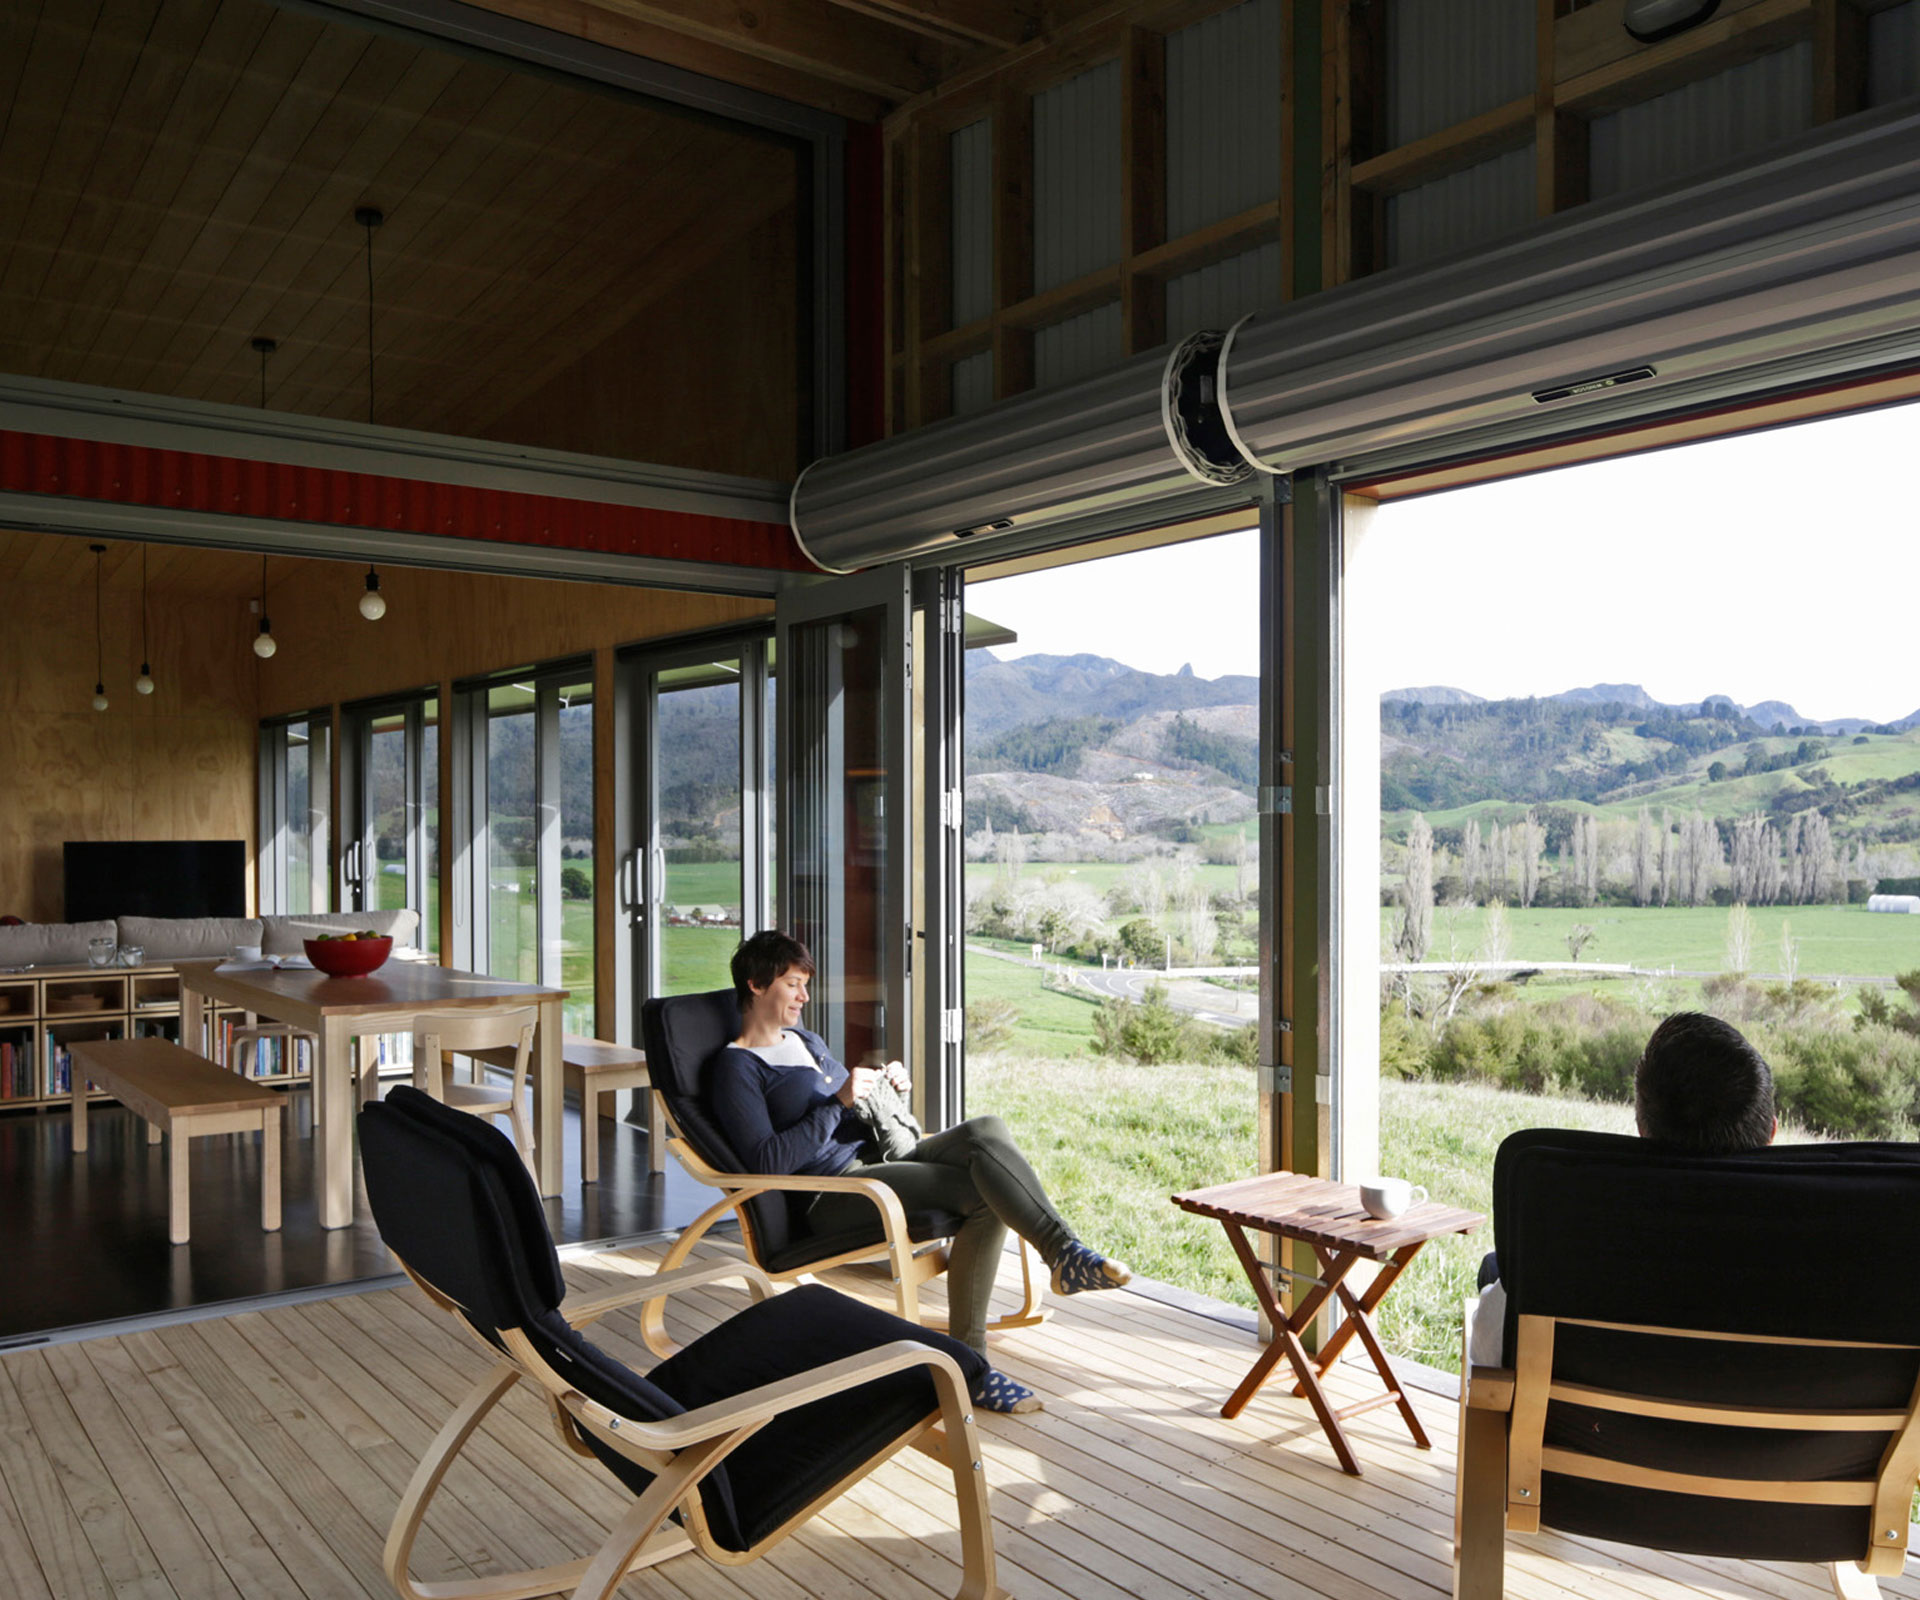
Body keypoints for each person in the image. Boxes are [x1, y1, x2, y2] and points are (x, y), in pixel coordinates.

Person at [708, 929, 1131, 1415]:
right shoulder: (737, 1068)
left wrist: (887, 1093)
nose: (804, 996)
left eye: (806, 984)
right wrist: (839, 1102)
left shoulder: (806, 1040)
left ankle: (1063, 1253)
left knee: (987, 1129)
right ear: (756, 984)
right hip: (835, 1190)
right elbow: (766, 1162)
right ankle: (974, 1363)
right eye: (792, 984)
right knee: (983, 1194)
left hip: (881, 1160)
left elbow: (850, 1110)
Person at [1467, 1011, 1776, 1367]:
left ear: (1642, 1129)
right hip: (1764, 1403)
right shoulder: (1819, 1248)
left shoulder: (1574, 1239)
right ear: (1771, 1132)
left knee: (1494, 1268)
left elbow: (1488, 1351)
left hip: (1588, 1402)